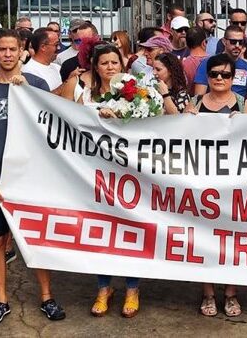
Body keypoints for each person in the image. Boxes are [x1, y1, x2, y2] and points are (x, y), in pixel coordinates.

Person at [0, 29, 66, 325]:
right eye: (2, 49)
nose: (8, 54)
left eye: (13, 49)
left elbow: (55, 125)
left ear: (22, 50)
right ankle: (2, 300)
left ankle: (47, 296)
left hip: (33, 180)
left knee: (36, 240)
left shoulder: (37, 84)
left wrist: (29, 93)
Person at [76, 44, 143, 317]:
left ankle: (132, 288)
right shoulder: (87, 96)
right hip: (96, 176)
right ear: (96, 67)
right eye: (104, 63)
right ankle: (104, 288)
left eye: (114, 62)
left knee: (130, 232)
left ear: (122, 64)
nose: (110, 67)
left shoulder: (137, 94)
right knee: (101, 233)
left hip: (129, 175)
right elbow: (72, 124)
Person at [184, 55, 247, 317]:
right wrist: (186, 119)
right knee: (204, 239)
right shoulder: (195, 103)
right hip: (202, 183)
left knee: (232, 240)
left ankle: (231, 294)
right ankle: (208, 293)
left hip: (234, 184)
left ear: (234, 77)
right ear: (207, 76)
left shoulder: (245, 104)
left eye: (225, 74)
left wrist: (244, 124)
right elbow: (181, 141)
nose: (219, 79)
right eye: (214, 74)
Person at [193, 26, 247, 100]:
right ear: (224, 41)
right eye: (233, 42)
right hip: (212, 109)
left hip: (238, 109)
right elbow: (198, 97)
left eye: (241, 42)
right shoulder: (208, 63)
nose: (237, 45)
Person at [21, 29, 63, 93]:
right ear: (43, 47)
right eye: (56, 45)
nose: (59, 48)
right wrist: (67, 84)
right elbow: (40, 99)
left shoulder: (57, 67)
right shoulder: (28, 71)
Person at [181, 27, 208, 93]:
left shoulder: (183, 64)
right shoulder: (214, 61)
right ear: (204, 43)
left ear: (187, 44)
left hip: (191, 100)